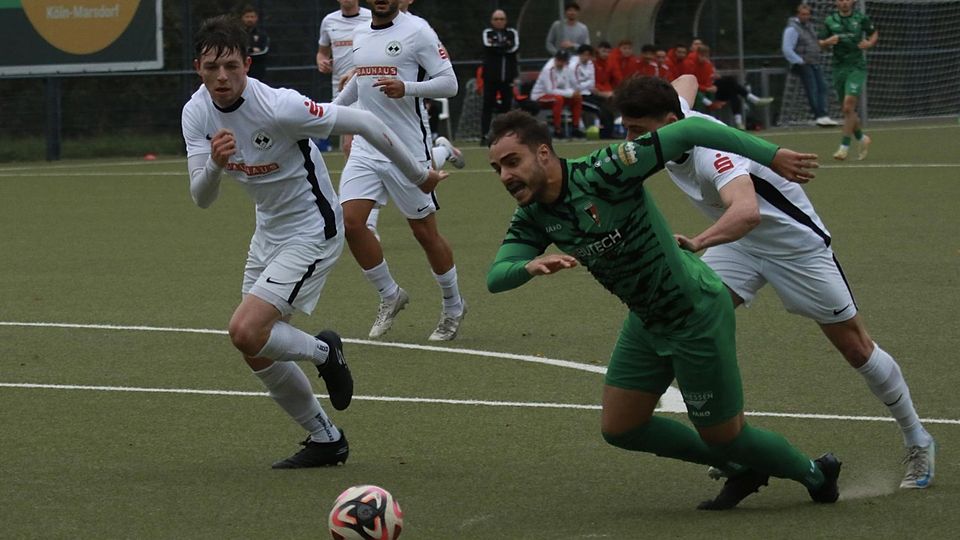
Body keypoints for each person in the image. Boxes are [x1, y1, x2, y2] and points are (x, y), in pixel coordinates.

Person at [486, 108, 840, 510]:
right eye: (497, 168)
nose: (505, 176)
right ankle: (741, 469)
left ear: (544, 154)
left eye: (513, 162)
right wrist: (526, 266)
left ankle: (816, 472)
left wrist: (770, 154)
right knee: (621, 428)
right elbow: (496, 277)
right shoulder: (533, 217)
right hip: (647, 319)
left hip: (695, 311)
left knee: (724, 434)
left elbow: (688, 129)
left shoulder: (606, 170)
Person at [618, 74, 937, 490]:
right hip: (739, 246)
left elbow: (746, 211)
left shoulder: (711, 153)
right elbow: (688, 80)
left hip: (793, 246)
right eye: (626, 129)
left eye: (639, 130)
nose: (631, 140)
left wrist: (699, 241)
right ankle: (739, 447)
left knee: (856, 347)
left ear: (668, 120)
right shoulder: (677, 117)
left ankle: (918, 439)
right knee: (685, 312)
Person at [181, 16, 445, 468]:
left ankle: (326, 352)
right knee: (255, 349)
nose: (221, 78)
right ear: (198, 68)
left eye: (230, 66)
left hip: (313, 228)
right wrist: (216, 166)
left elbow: (362, 120)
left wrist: (419, 175)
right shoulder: (196, 112)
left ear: (247, 63)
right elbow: (201, 198)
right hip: (268, 231)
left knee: (245, 331)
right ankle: (327, 440)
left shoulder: (280, 107)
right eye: (211, 68)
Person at [334, 0, 467, 341]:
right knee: (350, 223)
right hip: (366, 146)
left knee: (424, 234)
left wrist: (407, 87)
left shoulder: (418, 31)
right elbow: (358, 85)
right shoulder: (360, 31)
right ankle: (389, 294)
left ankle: (453, 305)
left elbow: (449, 83)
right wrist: (326, 113)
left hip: (407, 147)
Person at [819, 0, 878, 160]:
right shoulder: (830, 20)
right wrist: (826, 42)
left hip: (856, 67)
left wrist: (870, 42)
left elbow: (873, 32)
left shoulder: (860, 18)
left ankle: (843, 148)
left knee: (848, 105)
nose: (844, 2)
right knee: (848, 111)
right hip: (839, 68)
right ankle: (861, 138)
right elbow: (821, 43)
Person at [317, 0, 373, 157]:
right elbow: (322, 53)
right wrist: (322, 62)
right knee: (349, 145)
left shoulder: (371, 17)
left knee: (356, 143)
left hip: (368, 85)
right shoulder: (329, 21)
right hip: (341, 89)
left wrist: (356, 70)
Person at [782, 3, 838, 127]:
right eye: (803, 14)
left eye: (807, 14)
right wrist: (799, 61)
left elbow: (815, 43)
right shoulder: (792, 28)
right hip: (803, 63)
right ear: (798, 14)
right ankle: (818, 115)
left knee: (822, 87)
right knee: (812, 89)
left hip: (814, 62)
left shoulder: (809, 27)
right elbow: (787, 48)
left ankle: (824, 114)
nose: (805, 16)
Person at [480, 9, 520, 144]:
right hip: (491, 78)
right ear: (492, 21)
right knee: (487, 106)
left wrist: (499, 46)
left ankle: (506, 135)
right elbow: (489, 46)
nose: (499, 22)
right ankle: (485, 135)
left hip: (507, 78)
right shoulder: (487, 33)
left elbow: (514, 47)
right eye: (496, 19)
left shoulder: (512, 33)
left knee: (507, 107)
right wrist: (503, 46)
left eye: (501, 19)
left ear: (506, 21)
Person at [530, 50, 584, 139]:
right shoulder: (548, 70)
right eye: (559, 60)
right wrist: (570, 93)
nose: (561, 62)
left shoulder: (567, 69)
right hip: (540, 96)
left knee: (577, 98)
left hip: (557, 96)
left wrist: (573, 93)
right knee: (558, 99)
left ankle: (575, 128)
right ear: (555, 59)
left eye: (563, 60)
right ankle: (557, 129)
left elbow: (567, 86)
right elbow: (550, 90)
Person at [240, 5, 270, 82]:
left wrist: (247, 50)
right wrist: (252, 49)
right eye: (247, 17)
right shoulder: (238, 34)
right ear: (242, 18)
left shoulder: (262, 35)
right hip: (241, 72)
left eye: (252, 17)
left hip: (258, 73)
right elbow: (237, 50)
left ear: (256, 18)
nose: (250, 19)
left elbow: (263, 52)